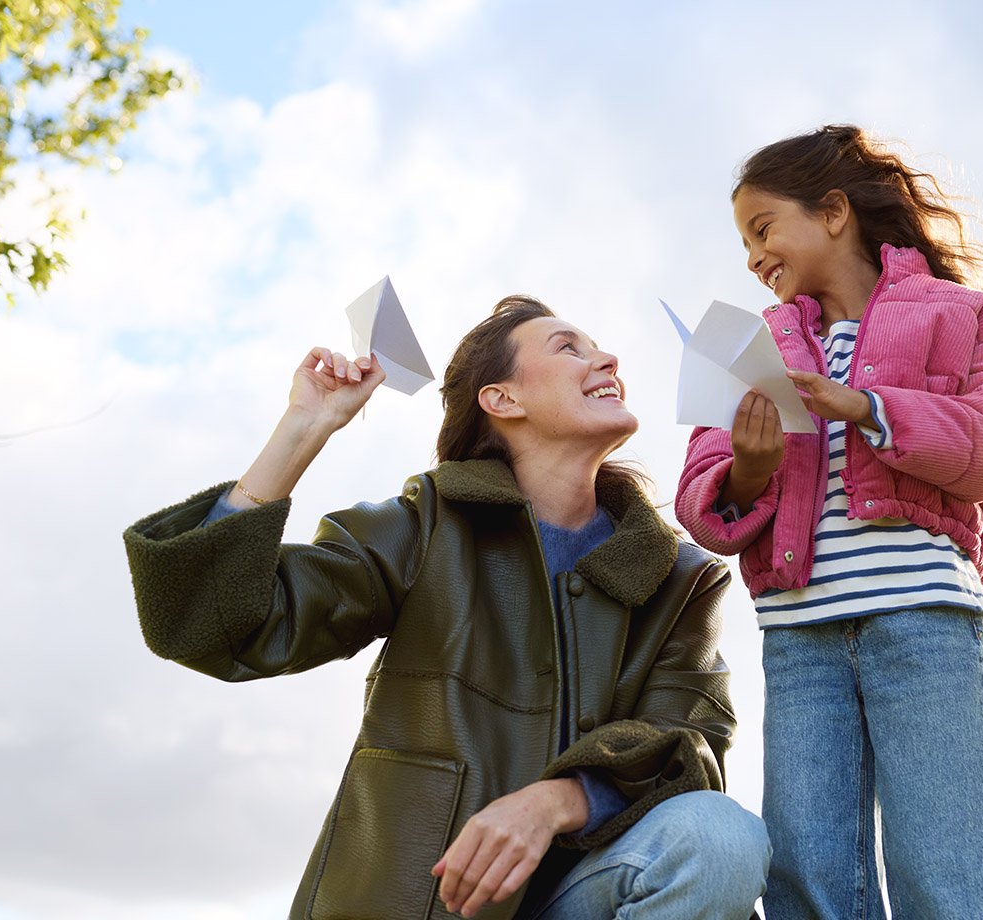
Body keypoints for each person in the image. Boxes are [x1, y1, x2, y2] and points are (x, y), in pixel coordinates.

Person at [124, 295, 770, 920]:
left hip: (587, 898)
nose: (607, 360)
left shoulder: (681, 580)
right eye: (568, 348)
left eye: (598, 348)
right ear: (502, 399)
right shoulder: (429, 524)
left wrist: (551, 803)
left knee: (717, 838)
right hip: (423, 906)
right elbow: (209, 626)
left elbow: (690, 746)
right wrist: (303, 428)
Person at [675, 125, 983, 919]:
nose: (753, 258)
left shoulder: (964, 315)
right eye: (745, 244)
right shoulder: (751, 347)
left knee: (946, 863)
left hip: (924, 624)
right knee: (808, 871)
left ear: (834, 211)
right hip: (799, 638)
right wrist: (749, 470)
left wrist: (869, 406)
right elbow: (704, 491)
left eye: (762, 229)